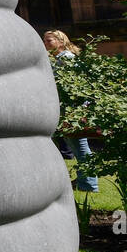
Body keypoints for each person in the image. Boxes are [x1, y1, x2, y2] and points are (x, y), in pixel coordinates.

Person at [43, 29, 99, 193]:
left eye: (49, 40)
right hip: (69, 109)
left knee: (80, 147)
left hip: (73, 110)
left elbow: (73, 87)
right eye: (44, 41)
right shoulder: (58, 59)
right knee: (76, 146)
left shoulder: (66, 59)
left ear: (61, 41)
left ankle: (89, 184)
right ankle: (84, 180)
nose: (45, 43)